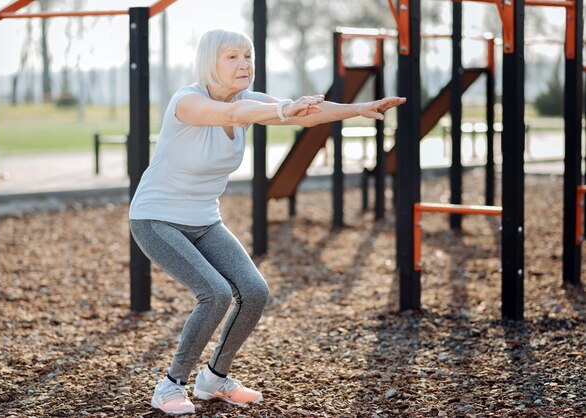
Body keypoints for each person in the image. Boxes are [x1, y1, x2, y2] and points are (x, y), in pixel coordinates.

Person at [129, 28, 406, 415]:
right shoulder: (188, 101)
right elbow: (232, 114)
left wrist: (357, 109)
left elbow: (305, 114)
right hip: (156, 218)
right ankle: (171, 385)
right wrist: (281, 111)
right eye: (232, 57)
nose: (244, 64)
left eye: (248, 56)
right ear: (210, 61)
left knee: (254, 292)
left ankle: (213, 380)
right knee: (215, 293)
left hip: (204, 220)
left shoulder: (251, 100)